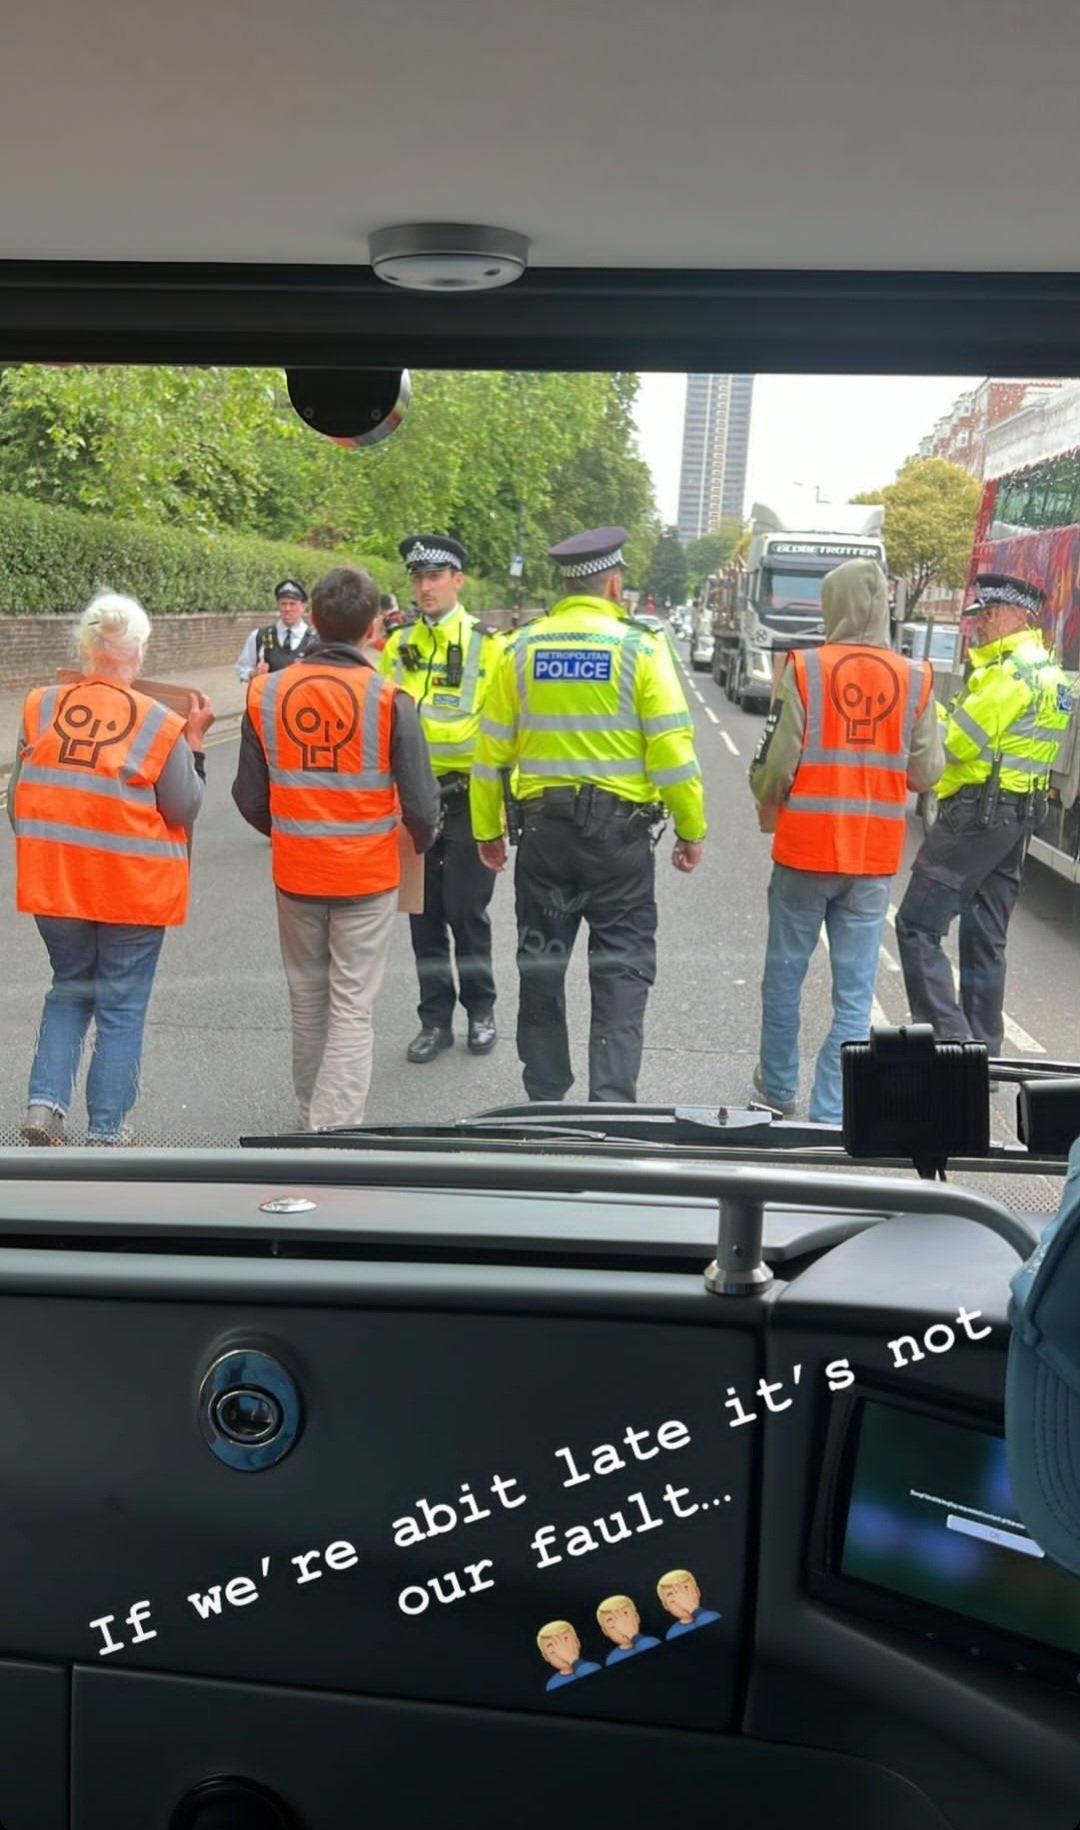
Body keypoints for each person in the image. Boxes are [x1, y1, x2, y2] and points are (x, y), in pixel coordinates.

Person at [470, 525, 707, 1105]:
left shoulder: (519, 648)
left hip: (544, 839)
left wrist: (486, 830)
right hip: (618, 842)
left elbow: (489, 751)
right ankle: (613, 1104)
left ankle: (546, 1097)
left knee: (542, 966)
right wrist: (691, 828)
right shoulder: (641, 649)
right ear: (615, 583)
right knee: (622, 971)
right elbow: (673, 753)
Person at [232, 566, 439, 1131]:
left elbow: (248, 796)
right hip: (367, 877)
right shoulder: (390, 698)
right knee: (351, 1006)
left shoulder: (265, 691)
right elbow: (422, 806)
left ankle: (310, 1119)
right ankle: (333, 1132)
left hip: (297, 876)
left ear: (315, 621)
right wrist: (415, 846)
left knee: (308, 1002)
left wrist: (293, 833)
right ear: (374, 628)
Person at [11, 590, 214, 1145]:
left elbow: (18, 800)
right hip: (131, 890)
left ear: (85, 647)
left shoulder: (40, 707)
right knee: (121, 1006)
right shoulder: (159, 722)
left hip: (56, 885)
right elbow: (185, 806)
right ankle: (106, 1133)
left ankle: (43, 1109)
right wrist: (194, 744)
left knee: (70, 988)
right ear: (140, 652)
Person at [749, 557, 942, 1125]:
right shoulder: (917, 678)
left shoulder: (805, 669)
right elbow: (927, 773)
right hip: (872, 860)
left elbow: (776, 764)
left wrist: (763, 791)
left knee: (784, 977)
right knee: (854, 997)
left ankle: (778, 1092)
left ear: (832, 606)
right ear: (884, 605)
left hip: (805, 853)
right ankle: (832, 1112)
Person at [895, 572, 1075, 1052]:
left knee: (916, 924)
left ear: (1015, 615)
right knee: (985, 937)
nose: (980, 625)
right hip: (1018, 817)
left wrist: (928, 711)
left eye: (988, 615)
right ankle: (985, 1050)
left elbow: (957, 745)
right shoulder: (1050, 674)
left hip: (976, 815)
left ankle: (953, 1043)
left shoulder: (1007, 676)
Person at [380, 534, 501, 1063]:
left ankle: (481, 1011)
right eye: (417, 578)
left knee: (467, 913)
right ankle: (435, 1021)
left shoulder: (488, 644)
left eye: (434, 577)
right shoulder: (397, 643)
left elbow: (502, 728)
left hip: (469, 799)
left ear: (457, 579)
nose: (424, 587)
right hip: (413, 802)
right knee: (422, 917)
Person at [234, 580, 316, 683]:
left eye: (292, 604)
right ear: (278, 605)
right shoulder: (260, 636)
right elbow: (241, 668)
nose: (287, 609)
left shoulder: (315, 641)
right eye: (283, 604)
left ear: (303, 607)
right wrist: (253, 673)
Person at [536, 1620, 601, 1691]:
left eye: (565, 1642)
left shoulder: (592, 1666)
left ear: (578, 1643)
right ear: (546, 1657)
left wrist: (572, 1659)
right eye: (552, 1649)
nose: (562, 1653)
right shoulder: (552, 1684)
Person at [656, 1570, 721, 1639]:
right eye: (671, 1594)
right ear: (665, 1606)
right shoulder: (672, 1633)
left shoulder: (713, 1616)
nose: (681, 1599)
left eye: (685, 1589)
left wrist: (691, 1607)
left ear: (697, 1592)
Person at [596, 1596, 661, 1665]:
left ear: (637, 1617)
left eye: (625, 1615)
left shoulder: (652, 1641)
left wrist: (632, 1634)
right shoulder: (612, 1659)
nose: (621, 1627)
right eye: (610, 1621)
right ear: (605, 1631)